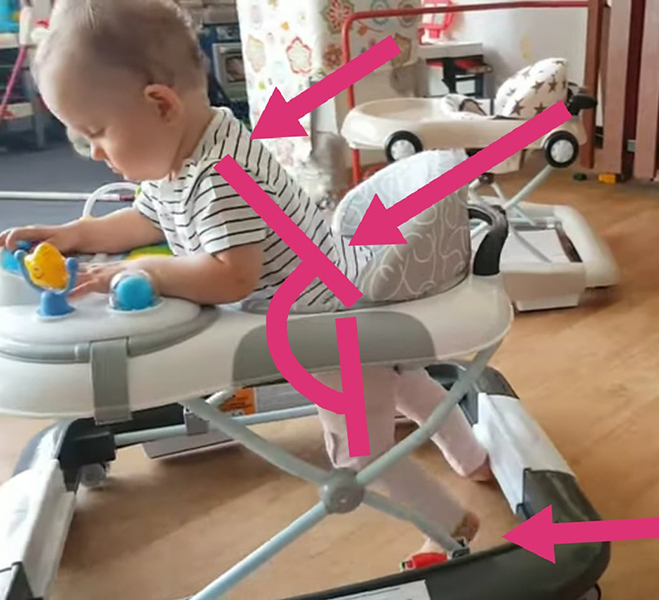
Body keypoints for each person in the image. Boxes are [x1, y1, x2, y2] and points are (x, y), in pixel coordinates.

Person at [0, 0, 491, 558]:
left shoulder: (220, 176)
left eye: (97, 133)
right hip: (339, 304)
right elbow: (145, 219)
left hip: (333, 329)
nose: (94, 154)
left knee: (360, 455)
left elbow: (231, 277)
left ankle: (449, 526)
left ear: (159, 104)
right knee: (403, 381)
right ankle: (474, 458)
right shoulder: (186, 152)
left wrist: (145, 269)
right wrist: (74, 235)